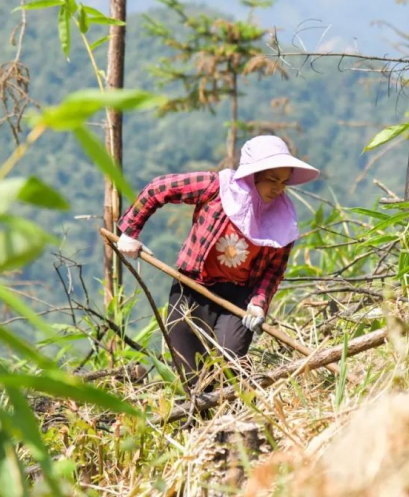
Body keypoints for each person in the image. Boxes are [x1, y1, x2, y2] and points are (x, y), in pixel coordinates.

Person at [116, 135, 320, 390]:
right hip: (191, 288)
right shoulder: (215, 187)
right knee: (191, 374)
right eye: (271, 179)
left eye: (283, 182)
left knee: (229, 367)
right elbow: (159, 187)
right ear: (252, 175)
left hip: (238, 299)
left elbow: (274, 270)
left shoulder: (283, 221)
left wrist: (258, 305)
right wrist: (129, 233)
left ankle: (238, 426)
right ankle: (199, 425)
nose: (278, 188)